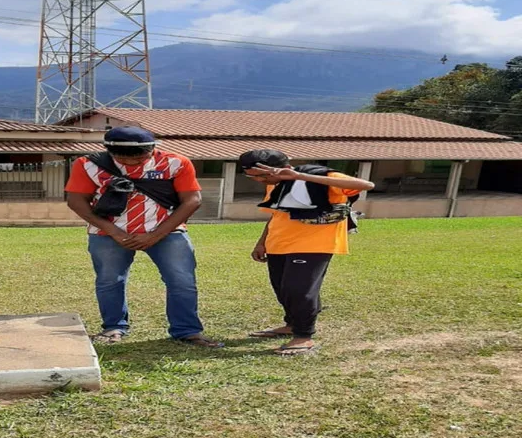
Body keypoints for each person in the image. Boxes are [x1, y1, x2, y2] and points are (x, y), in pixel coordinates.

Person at [65, 126, 223, 348]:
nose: (131, 164)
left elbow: (192, 200)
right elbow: (76, 201)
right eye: (123, 159)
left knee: (182, 281)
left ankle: (187, 331)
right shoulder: (88, 164)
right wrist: (114, 231)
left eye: (140, 158)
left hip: (166, 231)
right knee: (110, 281)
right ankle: (113, 327)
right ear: (109, 151)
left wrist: (156, 235)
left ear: (153, 149)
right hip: (108, 233)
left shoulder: (176, 163)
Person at [238, 149, 375, 356]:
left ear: (282, 169)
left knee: (299, 289)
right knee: (282, 288)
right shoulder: (274, 185)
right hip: (279, 244)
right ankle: (291, 324)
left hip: (315, 243)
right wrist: (261, 242)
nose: (258, 180)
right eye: (252, 176)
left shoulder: (322, 176)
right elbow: (276, 215)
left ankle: (304, 336)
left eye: (263, 175)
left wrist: (299, 176)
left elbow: (366, 185)